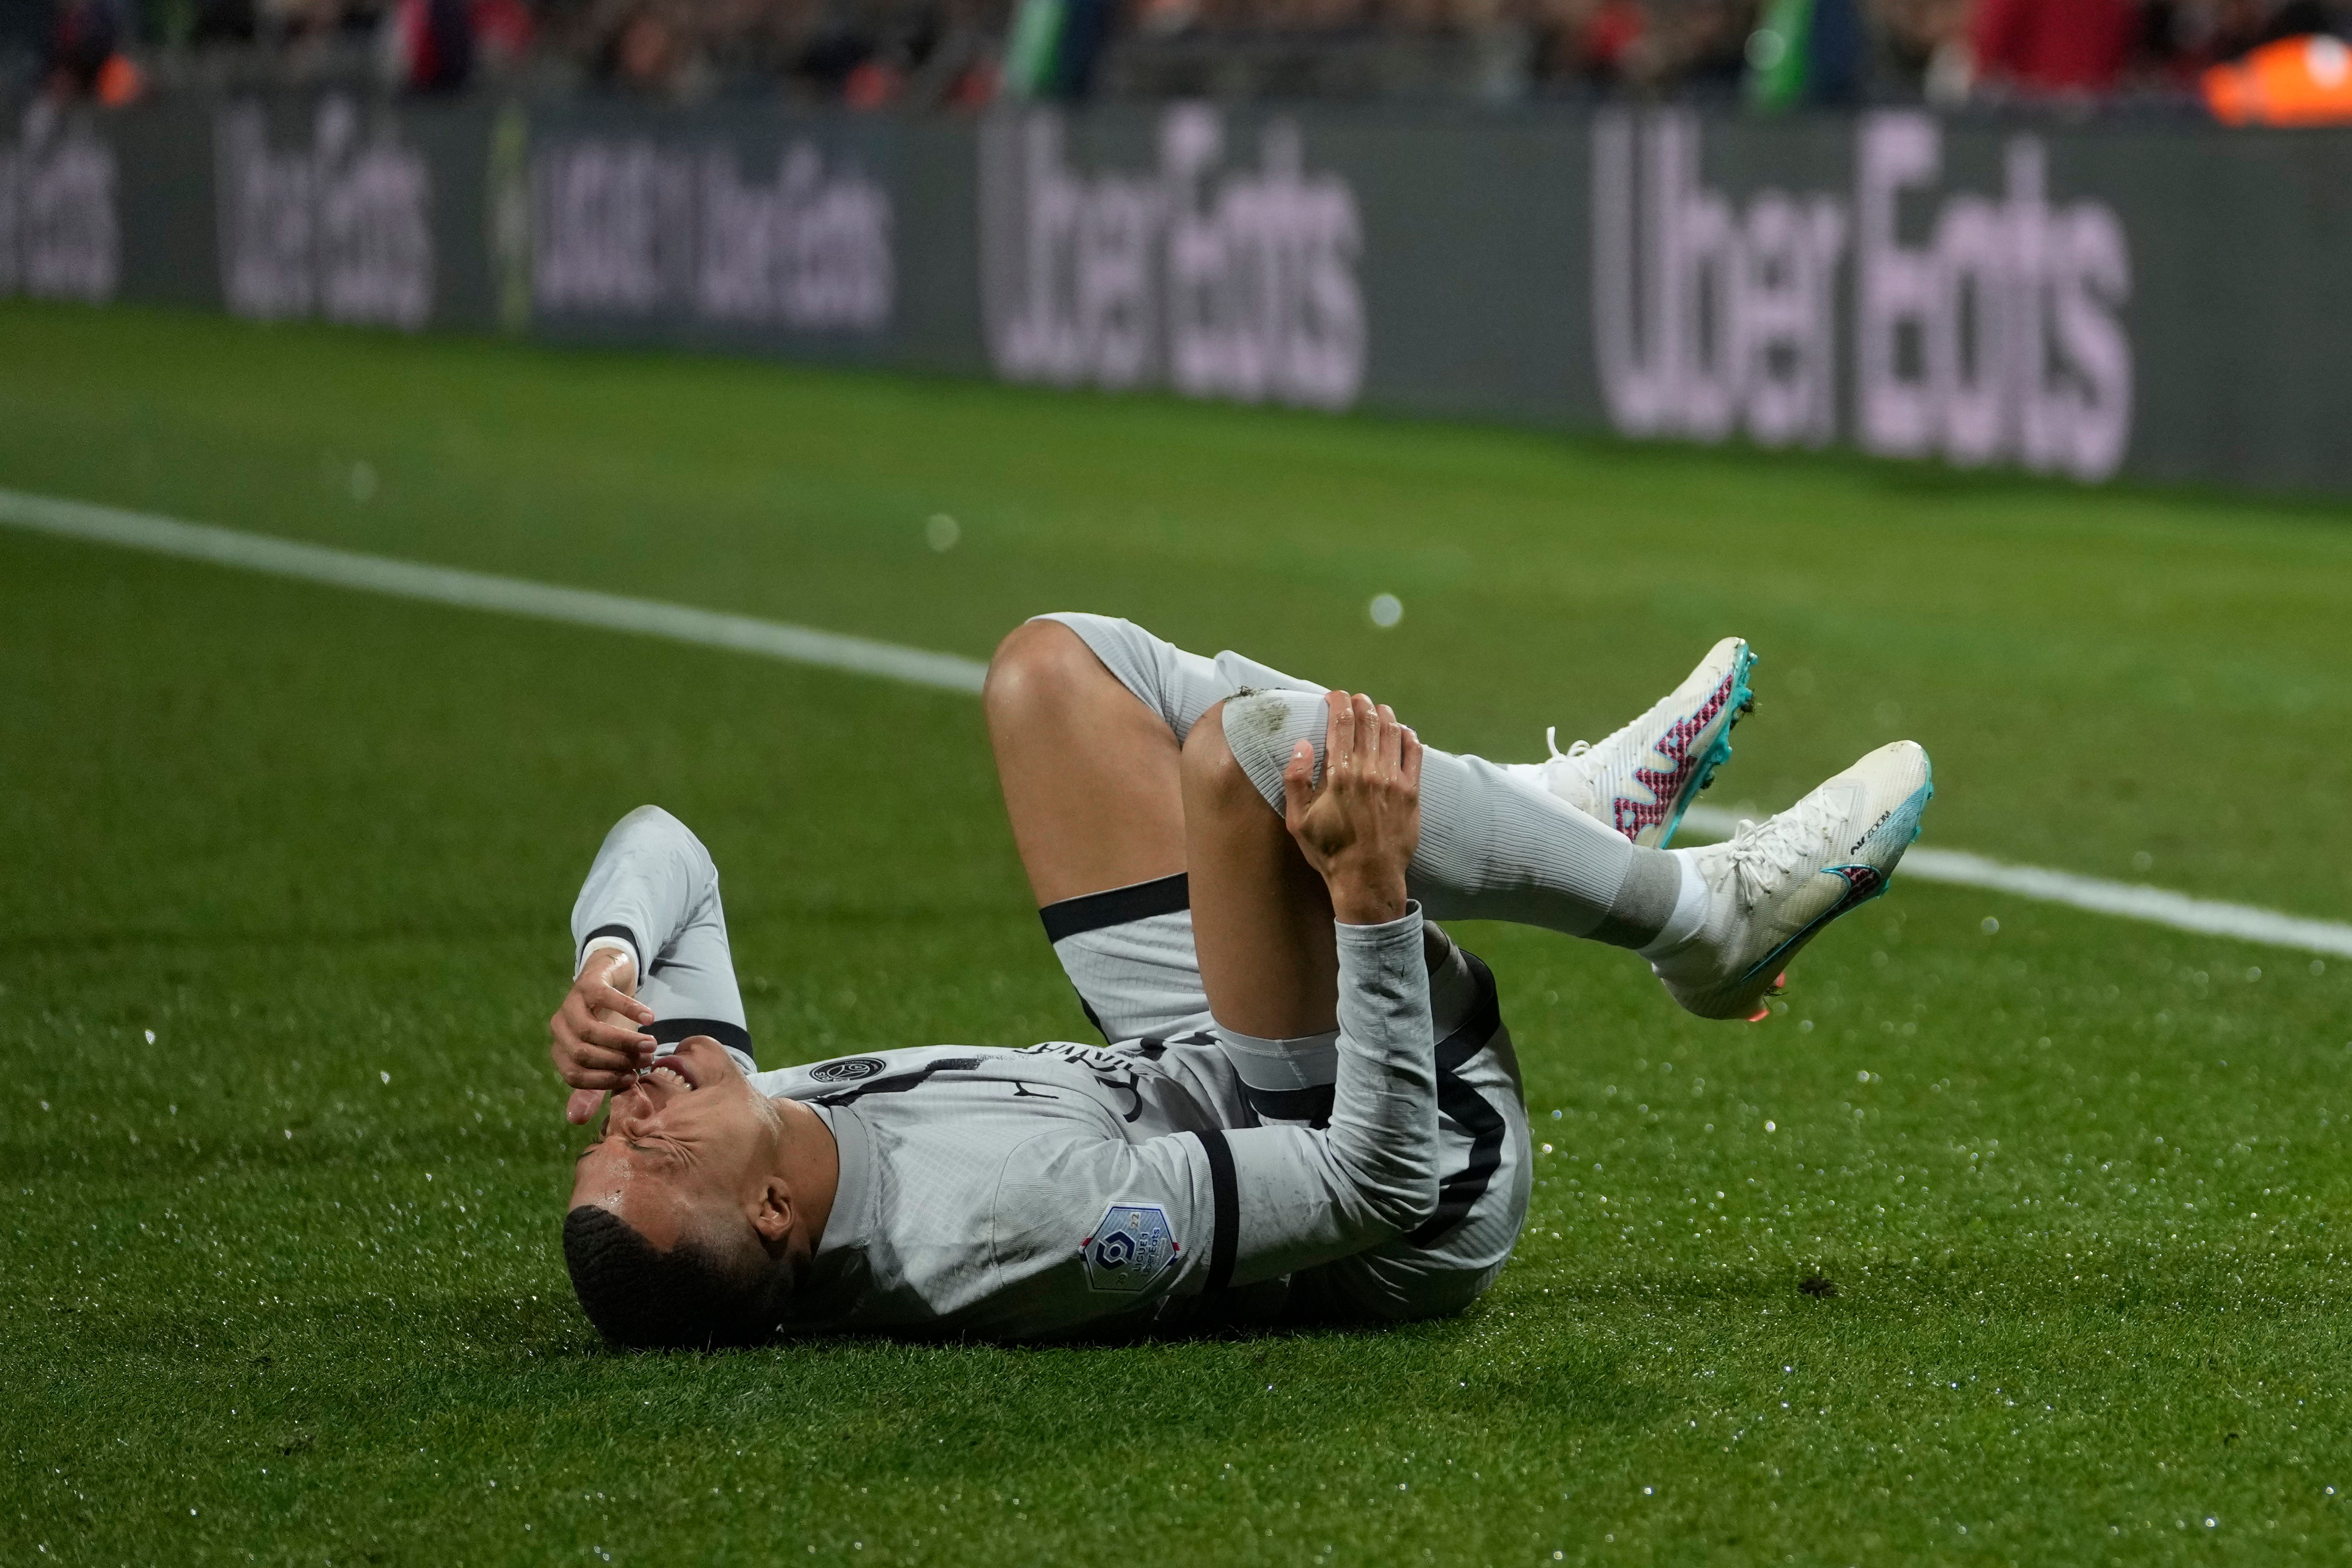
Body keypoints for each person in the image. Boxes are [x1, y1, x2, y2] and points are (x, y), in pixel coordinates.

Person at [550, 615, 1933, 1347]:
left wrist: (606, 960)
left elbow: (664, 850)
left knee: (1050, 672)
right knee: (1255, 757)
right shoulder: (1002, 1228)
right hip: (1408, 1177)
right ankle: (1703, 921)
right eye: (650, 1144)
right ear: (778, 1210)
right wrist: (1372, 899)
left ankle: (1536, 814)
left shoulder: (741, 1114)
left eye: (609, 1136)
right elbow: (1368, 1185)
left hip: (1211, 1064)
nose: (631, 1104)